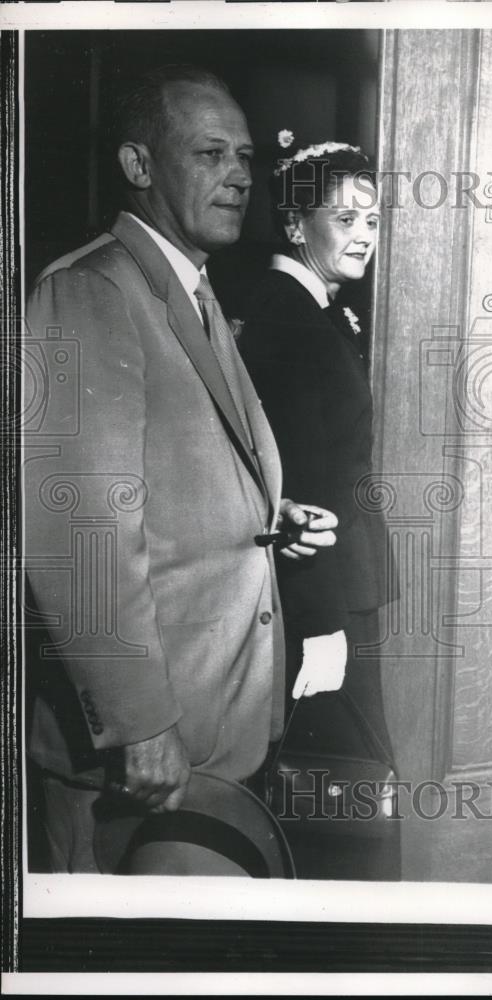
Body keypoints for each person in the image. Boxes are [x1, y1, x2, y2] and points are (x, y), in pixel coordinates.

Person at [23, 65, 339, 874]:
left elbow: (172, 475)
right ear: (139, 166)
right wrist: (138, 724)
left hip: (210, 728)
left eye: (243, 155)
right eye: (209, 154)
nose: (239, 173)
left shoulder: (187, 284)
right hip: (141, 752)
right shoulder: (89, 290)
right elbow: (77, 530)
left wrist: (270, 516)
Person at [238, 141, 398, 878]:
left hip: (337, 591)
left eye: (373, 216)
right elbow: (301, 486)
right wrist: (324, 624)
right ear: (298, 224)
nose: (365, 232)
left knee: (343, 786)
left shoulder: (308, 309)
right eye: (346, 216)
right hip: (322, 600)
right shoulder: (290, 320)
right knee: (343, 791)